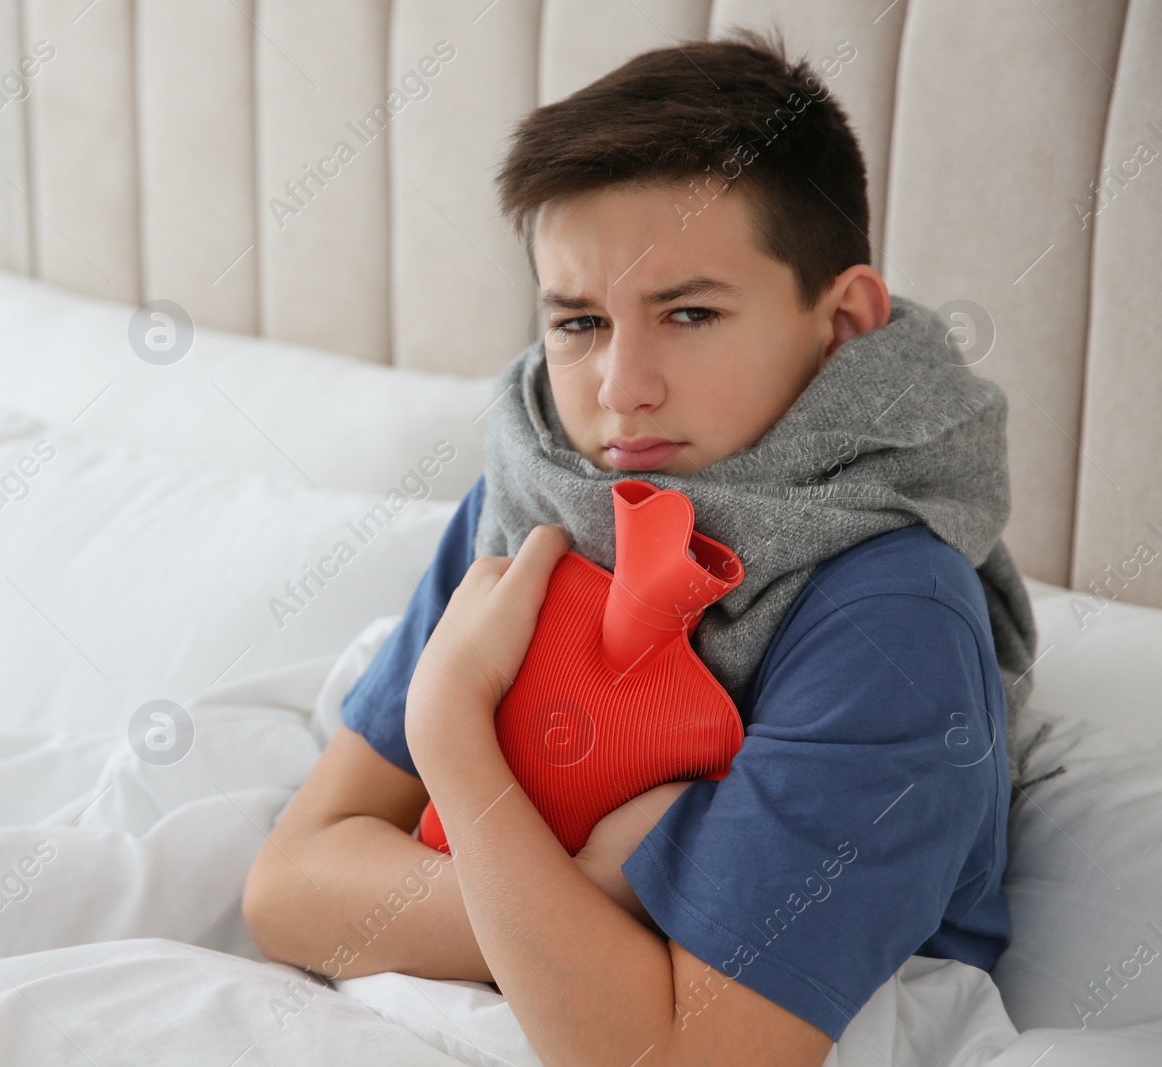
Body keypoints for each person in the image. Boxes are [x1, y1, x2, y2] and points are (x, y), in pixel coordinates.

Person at [242, 30, 1037, 1066]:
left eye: (689, 312)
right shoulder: (537, 500)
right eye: (578, 322)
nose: (622, 387)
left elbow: (683, 1056)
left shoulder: (888, 614)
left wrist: (451, 732)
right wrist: (588, 881)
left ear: (841, 321)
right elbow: (289, 886)